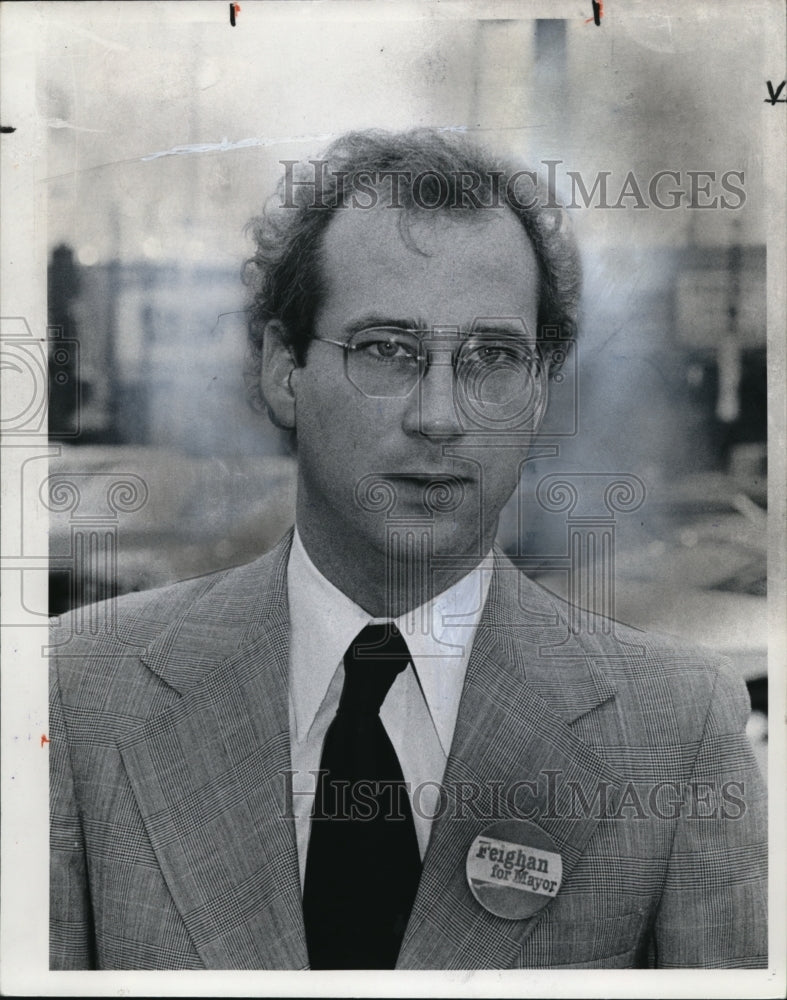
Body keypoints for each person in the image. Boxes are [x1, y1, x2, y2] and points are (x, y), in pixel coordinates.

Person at [50, 129, 767, 970]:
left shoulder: (676, 731)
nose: (439, 414)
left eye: (492, 358)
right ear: (284, 370)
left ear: (537, 392)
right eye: (386, 350)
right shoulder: (78, 693)